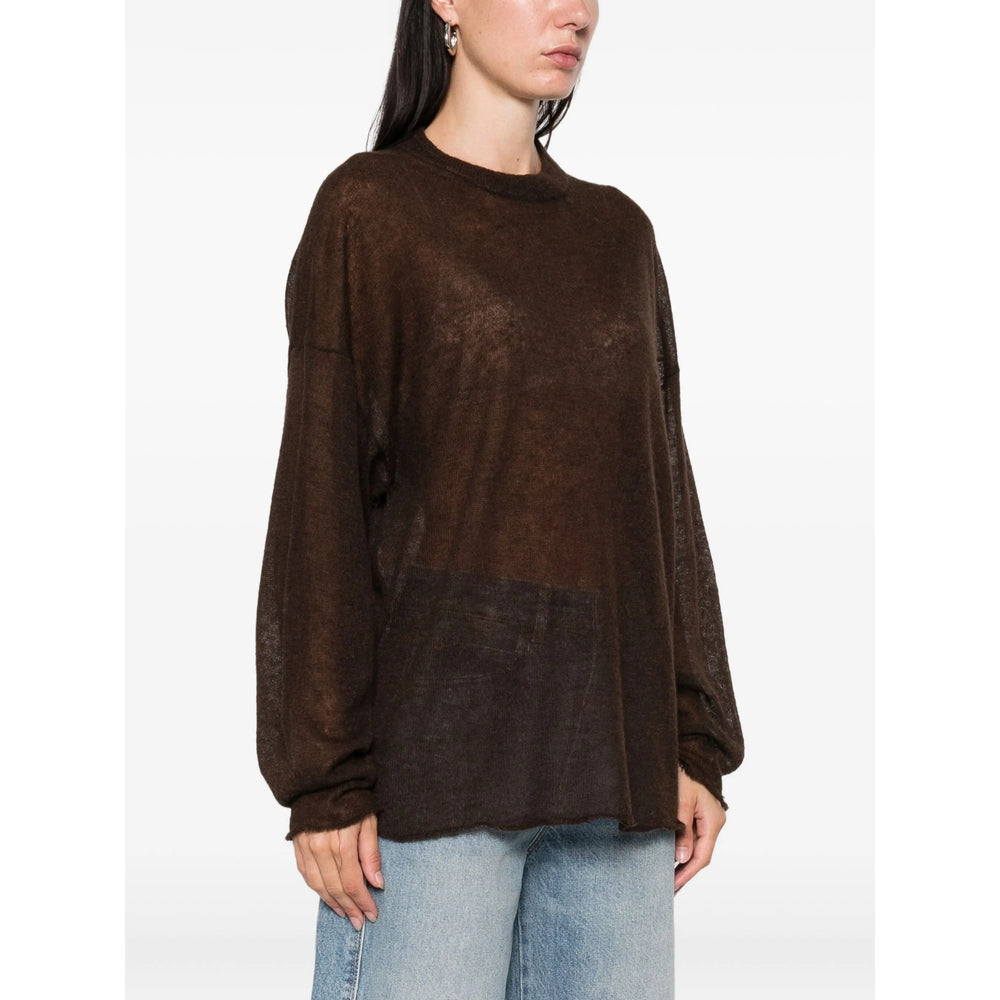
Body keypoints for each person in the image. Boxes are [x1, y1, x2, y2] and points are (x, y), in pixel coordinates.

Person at [255, 1, 745, 997]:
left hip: (615, 775)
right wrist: (326, 781)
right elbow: (321, 503)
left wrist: (694, 733)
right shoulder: (371, 210)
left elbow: (662, 499)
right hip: (433, 785)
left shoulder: (616, 235)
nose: (576, 13)